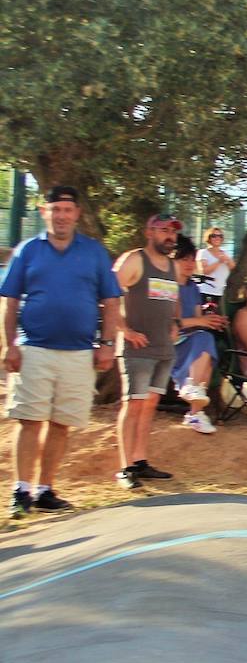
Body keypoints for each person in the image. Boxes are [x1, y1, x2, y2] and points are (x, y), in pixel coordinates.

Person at [2, 186, 121, 516]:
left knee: (60, 422)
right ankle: (21, 490)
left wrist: (108, 345)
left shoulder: (95, 252)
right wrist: (8, 345)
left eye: (67, 210)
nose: (61, 216)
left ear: (76, 214)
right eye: (55, 210)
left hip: (80, 353)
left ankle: (45, 490)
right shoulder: (28, 250)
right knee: (29, 420)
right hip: (33, 350)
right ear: (44, 212)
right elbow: (10, 302)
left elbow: (111, 302)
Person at [112, 213, 184, 490]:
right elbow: (109, 294)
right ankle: (125, 467)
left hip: (164, 349)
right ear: (149, 232)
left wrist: (176, 322)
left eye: (173, 231)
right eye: (163, 230)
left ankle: (140, 461)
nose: (169, 236)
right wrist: (125, 331)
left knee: (150, 404)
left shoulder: (173, 267)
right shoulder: (133, 260)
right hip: (137, 349)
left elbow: (174, 299)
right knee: (134, 404)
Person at [170, 234, 228, 434]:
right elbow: (172, 323)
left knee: (207, 339)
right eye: (183, 259)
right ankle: (194, 404)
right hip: (168, 340)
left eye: (191, 259)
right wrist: (200, 322)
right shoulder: (168, 286)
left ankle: (194, 403)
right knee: (204, 340)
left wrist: (211, 322)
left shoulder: (192, 287)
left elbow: (195, 321)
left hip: (189, 338)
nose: (189, 264)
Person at [195, 225, 234, 305]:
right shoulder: (203, 252)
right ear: (209, 238)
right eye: (214, 236)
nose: (217, 238)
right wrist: (219, 262)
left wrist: (228, 260)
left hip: (222, 293)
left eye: (220, 236)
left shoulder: (226, 253)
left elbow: (233, 268)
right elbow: (204, 271)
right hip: (206, 291)